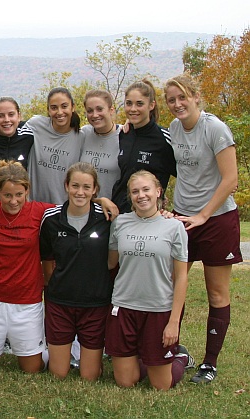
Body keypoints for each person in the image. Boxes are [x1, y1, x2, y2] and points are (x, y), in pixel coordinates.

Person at [164, 74, 241, 384]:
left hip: (216, 219)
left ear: (195, 96)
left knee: (217, 291)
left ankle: (209, 363)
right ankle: (172, 350)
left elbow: (230, 179)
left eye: (182, 97)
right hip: (183, 217)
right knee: (171, 287)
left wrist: (204, 215)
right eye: (171, 99)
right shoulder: (173, 128)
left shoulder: (216, 129)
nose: (177, 104)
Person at [106, 170, 192, 390]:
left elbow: (181, 277)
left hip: (158, 309)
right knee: (126, 382)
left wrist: (173, 322)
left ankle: (180, 358)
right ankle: (148, 359)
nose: (141, 195)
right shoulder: (120, 223)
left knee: (161, 386)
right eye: (135, 191)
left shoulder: (174, 227)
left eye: (146, 190)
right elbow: (110, 263)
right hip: (124, 307)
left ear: (158, 192)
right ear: (130, 196)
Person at [0, 161, 54, 374]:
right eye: (7, 195)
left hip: (27, 302)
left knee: (32, 369)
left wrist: (102, 200)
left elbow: (76, 208)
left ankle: (49, 348)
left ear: (27, 191)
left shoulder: (41, 212)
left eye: (19, 195)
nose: (13, 201)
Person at [39, 162, 112, 381]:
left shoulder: (107, 218)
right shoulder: (51, 219)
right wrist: (55, 286)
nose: (80, 192)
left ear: (95, 189)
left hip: (95, 304)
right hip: (60, 303)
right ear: (66, 186)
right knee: (58, 373)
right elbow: (46, 259)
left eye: (86, 187)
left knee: (90, 376)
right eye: (75, 186)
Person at [111, 79, 176, 213]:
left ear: (151, 105)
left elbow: (187, 173)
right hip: (120, 214)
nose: (133, 109)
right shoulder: (124, 133)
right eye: (129, 103)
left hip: (148, 217)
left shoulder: (164, 139)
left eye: (139, 104)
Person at [25, 87, 84, 204]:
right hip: (32, 205)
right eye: (54, 108)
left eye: (64, 106)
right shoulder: (36, 125)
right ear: (48, 110)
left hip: (62, 208)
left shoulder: (81, 137)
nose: (59, 112)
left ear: (73, 107)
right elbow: (11, 133)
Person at [80, 90, 121, 199]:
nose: (95, 115)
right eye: (89, 111)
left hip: (114, 208)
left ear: (111, 110)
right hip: (85, 206)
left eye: (99, 109)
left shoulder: (124, 136)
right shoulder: (84, 134)